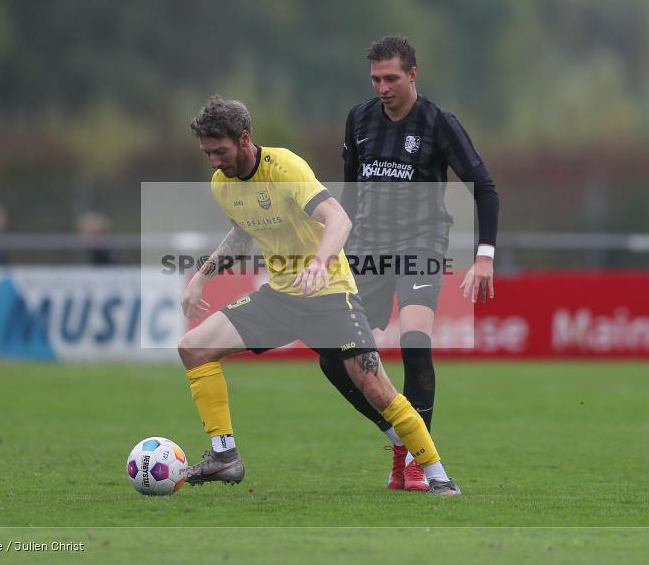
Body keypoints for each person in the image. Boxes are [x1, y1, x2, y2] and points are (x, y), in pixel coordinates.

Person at [177, 94, 460, 496]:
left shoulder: (285, 167)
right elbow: (242, 234)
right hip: (280, 298)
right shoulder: (222, 184)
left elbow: (338, 219)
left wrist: (319, 263)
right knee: (193, 348)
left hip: (330, 294)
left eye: (219, 151)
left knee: (376, 388)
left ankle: (439, 476)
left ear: (244, 138)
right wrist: (200, 279)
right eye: (207, 153)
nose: (213, 161)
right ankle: (225, 456)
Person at [319, 35, 500, 491]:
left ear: (413, 75)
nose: (383, 88)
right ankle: (401, 440)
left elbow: (484, 188)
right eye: (376, 79)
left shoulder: (439, 123)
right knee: (332, 356)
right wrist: (334, 250)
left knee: (415, 343)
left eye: (392, 78)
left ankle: (419, 462)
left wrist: (484, 256)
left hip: (421, 246)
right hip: (366, 252)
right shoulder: (358, 119)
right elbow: (349, 194)